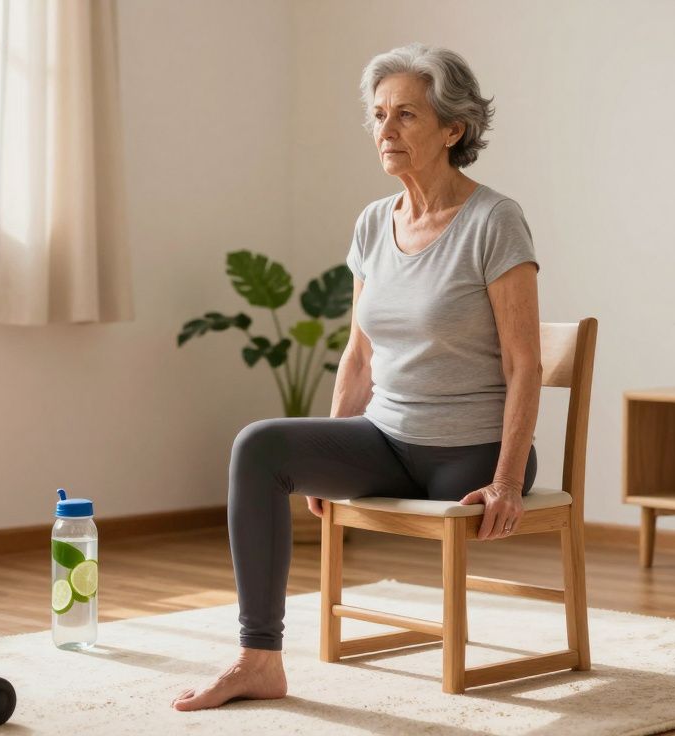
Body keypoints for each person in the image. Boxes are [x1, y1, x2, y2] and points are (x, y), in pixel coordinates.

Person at [171, 42, 542, 711]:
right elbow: (359, 356)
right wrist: (331, 450)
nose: (385, 130)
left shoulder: (494, 221)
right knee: (258, 445)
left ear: (453, 129)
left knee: (458, 497)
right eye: (378, 115)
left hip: (473, 455)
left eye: (405, 115)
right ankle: (259, 658)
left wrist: (509, 481)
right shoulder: (375, 222)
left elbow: (525, 363)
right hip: (388, 441)